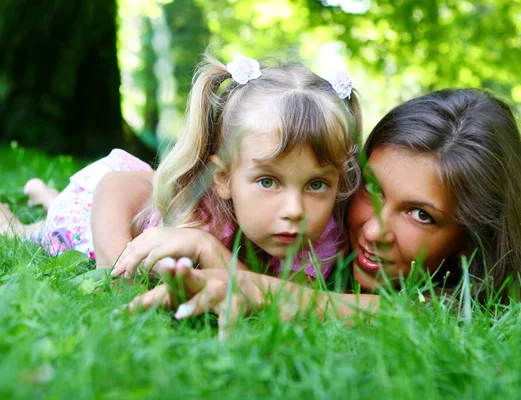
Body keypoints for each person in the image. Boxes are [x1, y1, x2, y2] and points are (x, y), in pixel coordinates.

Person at [127, 88, 521, 323]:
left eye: (421, 214)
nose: (374, 231)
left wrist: (223, 267)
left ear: (470, 240)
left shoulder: (461, 303)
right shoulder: (316, 213)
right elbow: (124, 184)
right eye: (372, 190)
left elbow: (350, 309)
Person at [0, 53, 362, 283]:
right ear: (223, 178)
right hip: (101, 214)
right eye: (268, 181)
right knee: (47, 232)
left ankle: (44, 192)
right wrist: (115, 267)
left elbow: (275, 297)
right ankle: (25, 217)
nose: (294, 211)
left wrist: (214, 256)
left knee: (52, 204)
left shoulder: (324, 238)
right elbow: (114, 188)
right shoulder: (199, 209)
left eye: (317, 185)